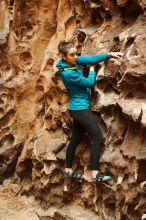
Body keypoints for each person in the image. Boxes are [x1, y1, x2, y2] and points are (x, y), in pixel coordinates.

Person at [56, 41, 123, 183]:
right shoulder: (68, 74)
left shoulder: (69, 62)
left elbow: (88, 59)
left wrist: (108, 55)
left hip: (76, 109)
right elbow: (89, 83)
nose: (76, 57)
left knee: (75, 139)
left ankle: (68, 172)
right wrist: (92, 70)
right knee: (97, 137)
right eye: (72, 55)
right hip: (80, 110)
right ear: (64, 56)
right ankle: (95, 175)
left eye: (76, 53)